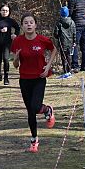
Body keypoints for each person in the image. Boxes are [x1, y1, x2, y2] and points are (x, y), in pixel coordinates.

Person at [11, 13, 57, 153]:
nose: (29, 24)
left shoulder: (43, 40)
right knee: (30, 112)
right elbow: (15, 65)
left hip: (39, 78)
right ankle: (34, 140)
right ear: (22, 26)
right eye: (26, 23)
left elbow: (54, 49)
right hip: (24, 79)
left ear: (35, 25)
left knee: (35, 106)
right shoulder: (17, 41)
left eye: (31, 22)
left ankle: (47, 109)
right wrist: (17, 58)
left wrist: (48, 66)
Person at [0, 3, 20, 85]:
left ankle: (6, 78)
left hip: (7, 43)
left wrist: (15, 35)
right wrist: (0, 30)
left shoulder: (11, 21)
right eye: (3, 10)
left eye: (7, 11)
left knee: (6, 59)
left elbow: (17, 28)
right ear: (0, 11)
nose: (5, 12)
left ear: (9, 12)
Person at [67, 0, 85, 72]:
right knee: (84, 46)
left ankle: (75, 65)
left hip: (76, 24)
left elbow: (70, 12)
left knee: (75, 44)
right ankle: (84, 66)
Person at [53, 6, 76, 74]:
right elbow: (74, 32)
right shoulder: (72, 22)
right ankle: (69, 70)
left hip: (62, 42)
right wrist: (74, 41)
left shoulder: (59, 22)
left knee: (63, 56)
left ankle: (65, 70)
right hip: (70, 42)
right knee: (68, 56)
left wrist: (58, 37)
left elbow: (55, 33)